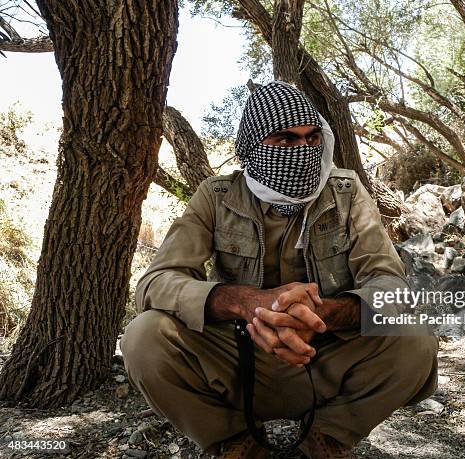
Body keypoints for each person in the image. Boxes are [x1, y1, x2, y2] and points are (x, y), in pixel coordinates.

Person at [120, 81, 439, 459]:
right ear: (253, 148)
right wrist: (248, 303)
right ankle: (232, 440)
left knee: (415, 339)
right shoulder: (217, 195)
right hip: (238, 357)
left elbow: (389, 285)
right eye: (284, 140)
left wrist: (321, 317)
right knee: (143, 337)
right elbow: (155, 283)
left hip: (325, 351)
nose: (302, 151)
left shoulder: (346, 191)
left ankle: (329, 437)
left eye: (310, 138)